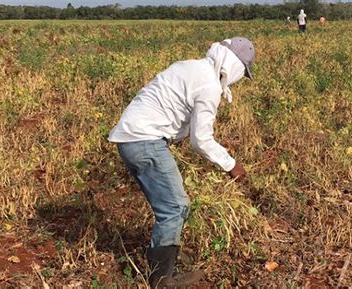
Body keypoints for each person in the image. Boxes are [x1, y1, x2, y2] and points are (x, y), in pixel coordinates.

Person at [108, 36, 254, 288]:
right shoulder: (209, 85)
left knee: (169, 205)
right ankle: (162, 279)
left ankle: (164, 257)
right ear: (234, 66)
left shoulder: (191, 66)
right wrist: (232, 166)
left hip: (130, 137)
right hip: (144, 140)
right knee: (175, 207)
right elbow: (201, 140)